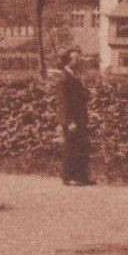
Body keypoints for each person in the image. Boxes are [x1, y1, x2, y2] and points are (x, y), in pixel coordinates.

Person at [52, 49, 93, 186]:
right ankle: (68, 177)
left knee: (81, 147)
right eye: (76, 59)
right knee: (71, 148)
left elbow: (80, 97)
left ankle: (82, 177)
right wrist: (69, 122)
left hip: (79, 118)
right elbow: (63, 102)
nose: (79, 61)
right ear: (69, 61)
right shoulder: (65, 78)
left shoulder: (74, 76)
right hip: (71, 120)